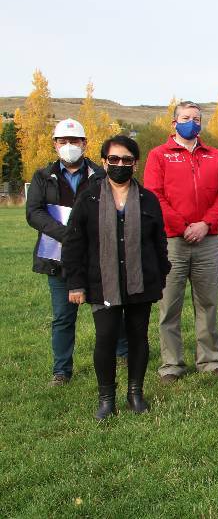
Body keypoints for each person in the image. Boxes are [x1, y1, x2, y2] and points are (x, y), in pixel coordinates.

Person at [62, 135, 170, 419]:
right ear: (104, 162)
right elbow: (74, 243)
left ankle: (135, 393)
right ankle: (106, 398)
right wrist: (75, 282)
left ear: (135, 164)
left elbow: (159, 242)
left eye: (126, 160)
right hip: (102, 282)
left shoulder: (148, 199)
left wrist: (161, 275)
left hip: (141, 282)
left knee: (138, 337)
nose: (119, 164)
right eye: (113, 159)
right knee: (106, 338)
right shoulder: (89, 197)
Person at [25, 118, 127, 387]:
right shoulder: (42, 177)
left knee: (110, 306)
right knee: (62, 315)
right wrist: (66, 234)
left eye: (74, 141)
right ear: (55, 144)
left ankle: (122, 353)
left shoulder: (100, 174)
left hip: (97, 256)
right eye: (63, 141)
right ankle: (61, 370)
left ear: (84, 143)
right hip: (58, 257)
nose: (69, 145)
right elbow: (33, 212)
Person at [143, 100, 218, 383]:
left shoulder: (215, 156)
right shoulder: (159, 155)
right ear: (174, 122)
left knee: (207, 303)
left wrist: (206, 224)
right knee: (169, 305)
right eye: (185, 117)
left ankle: (209, 361)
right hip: (172, 241)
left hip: (207, 240)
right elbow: (154, 195)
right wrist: (183, 228)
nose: (192, 122)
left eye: (196, 118)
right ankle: (171, 364)